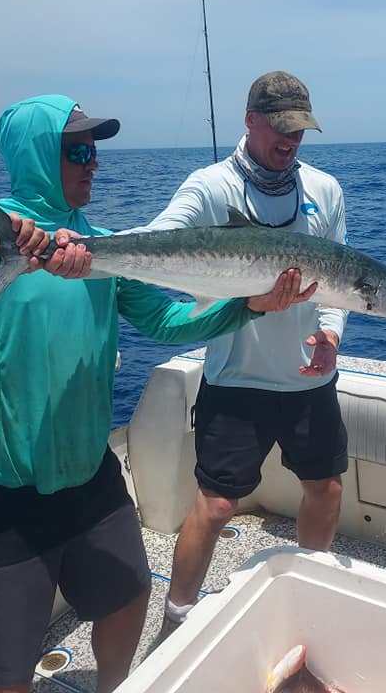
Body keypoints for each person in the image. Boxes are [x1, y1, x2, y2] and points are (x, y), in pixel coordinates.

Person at [0, 93, 314, 693]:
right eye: (77, 152)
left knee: (129, 595)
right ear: (36, 155)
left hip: (88, 471)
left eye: (94, 152)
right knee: (3, 672)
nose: (93, 163)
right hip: (0, 486)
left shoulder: (99, 244)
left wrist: (247, 307)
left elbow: (166, 322)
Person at [137, 71, 349, 634]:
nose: (290, 140)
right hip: (235, 379)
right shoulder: (211, 187)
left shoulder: (325, 191)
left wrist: (330, 337)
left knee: (326, 488)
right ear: (251, 120)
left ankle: (310, 589)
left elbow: (340, 278)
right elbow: (161, 234)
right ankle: (177, 616)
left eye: (300, 130)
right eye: (280, 128)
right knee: (215, 505)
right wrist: (95, 250)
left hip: (308, 380)